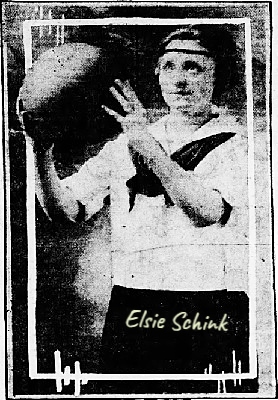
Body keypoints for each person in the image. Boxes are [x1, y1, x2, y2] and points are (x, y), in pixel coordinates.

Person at [20, 25, 249, 374]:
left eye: (194, 67)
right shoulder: (129, 141)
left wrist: (145, 143)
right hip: (134, 304)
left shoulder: (241, 142)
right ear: (157, 73)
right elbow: (67, 211)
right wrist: (41, 150)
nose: (179, 79)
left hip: (209, 307)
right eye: (169, 66)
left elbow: (206, 211)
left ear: (219, 74)